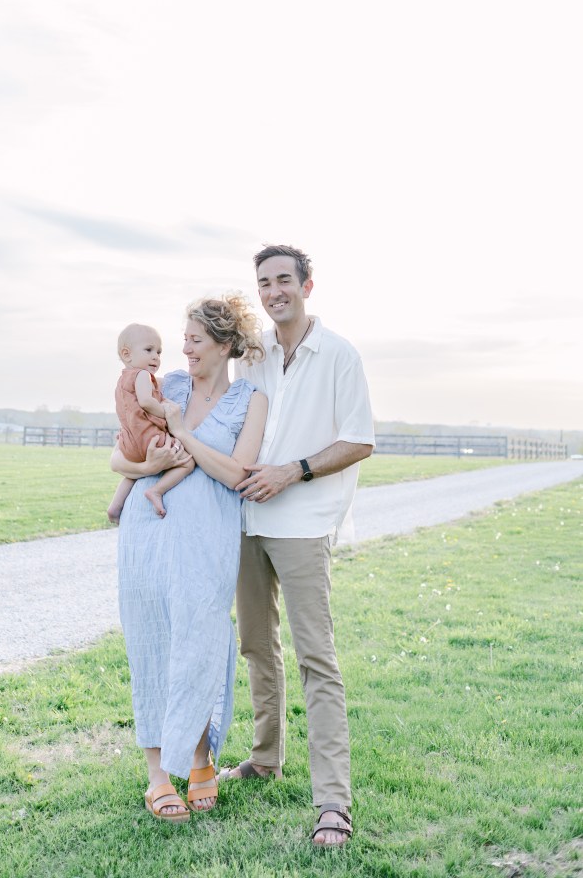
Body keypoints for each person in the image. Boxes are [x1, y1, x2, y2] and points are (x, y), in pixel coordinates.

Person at [222, 244, 376, 849]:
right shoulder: (253, 355)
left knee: (317, 659)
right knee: (257, 645)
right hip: (248, 520)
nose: (273, 291)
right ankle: (264, 758)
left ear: (308, 286)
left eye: (283, 279)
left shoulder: (338, 354)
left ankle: (333, 803)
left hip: (306, 522)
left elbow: (359, 440)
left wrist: (293, 471)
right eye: (263, 282)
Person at [110, 294, 268, 822]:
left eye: (195, 339)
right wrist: (145, 464)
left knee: (200, 643)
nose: (184, 349)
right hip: (147, 537)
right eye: (184, 339)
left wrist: (180, 432)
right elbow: (118, 455)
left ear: (225, 345)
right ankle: (159, 775)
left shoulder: (251, 400)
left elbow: (236, 473)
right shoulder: (163, 385)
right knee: (153, 643)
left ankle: (200, 756)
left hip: (207, 542)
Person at [107, 323, 194, 522]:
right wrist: (167, 413)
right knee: (187, 461)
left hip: (129, 445)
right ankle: (156, 490)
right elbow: (146, 402)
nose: (156, 356)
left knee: (131, 473)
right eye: (149, 350)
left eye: (159, 352)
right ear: (127, 354)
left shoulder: (122, 381)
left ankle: (115, 507)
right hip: (149, 440)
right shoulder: (143, 375)